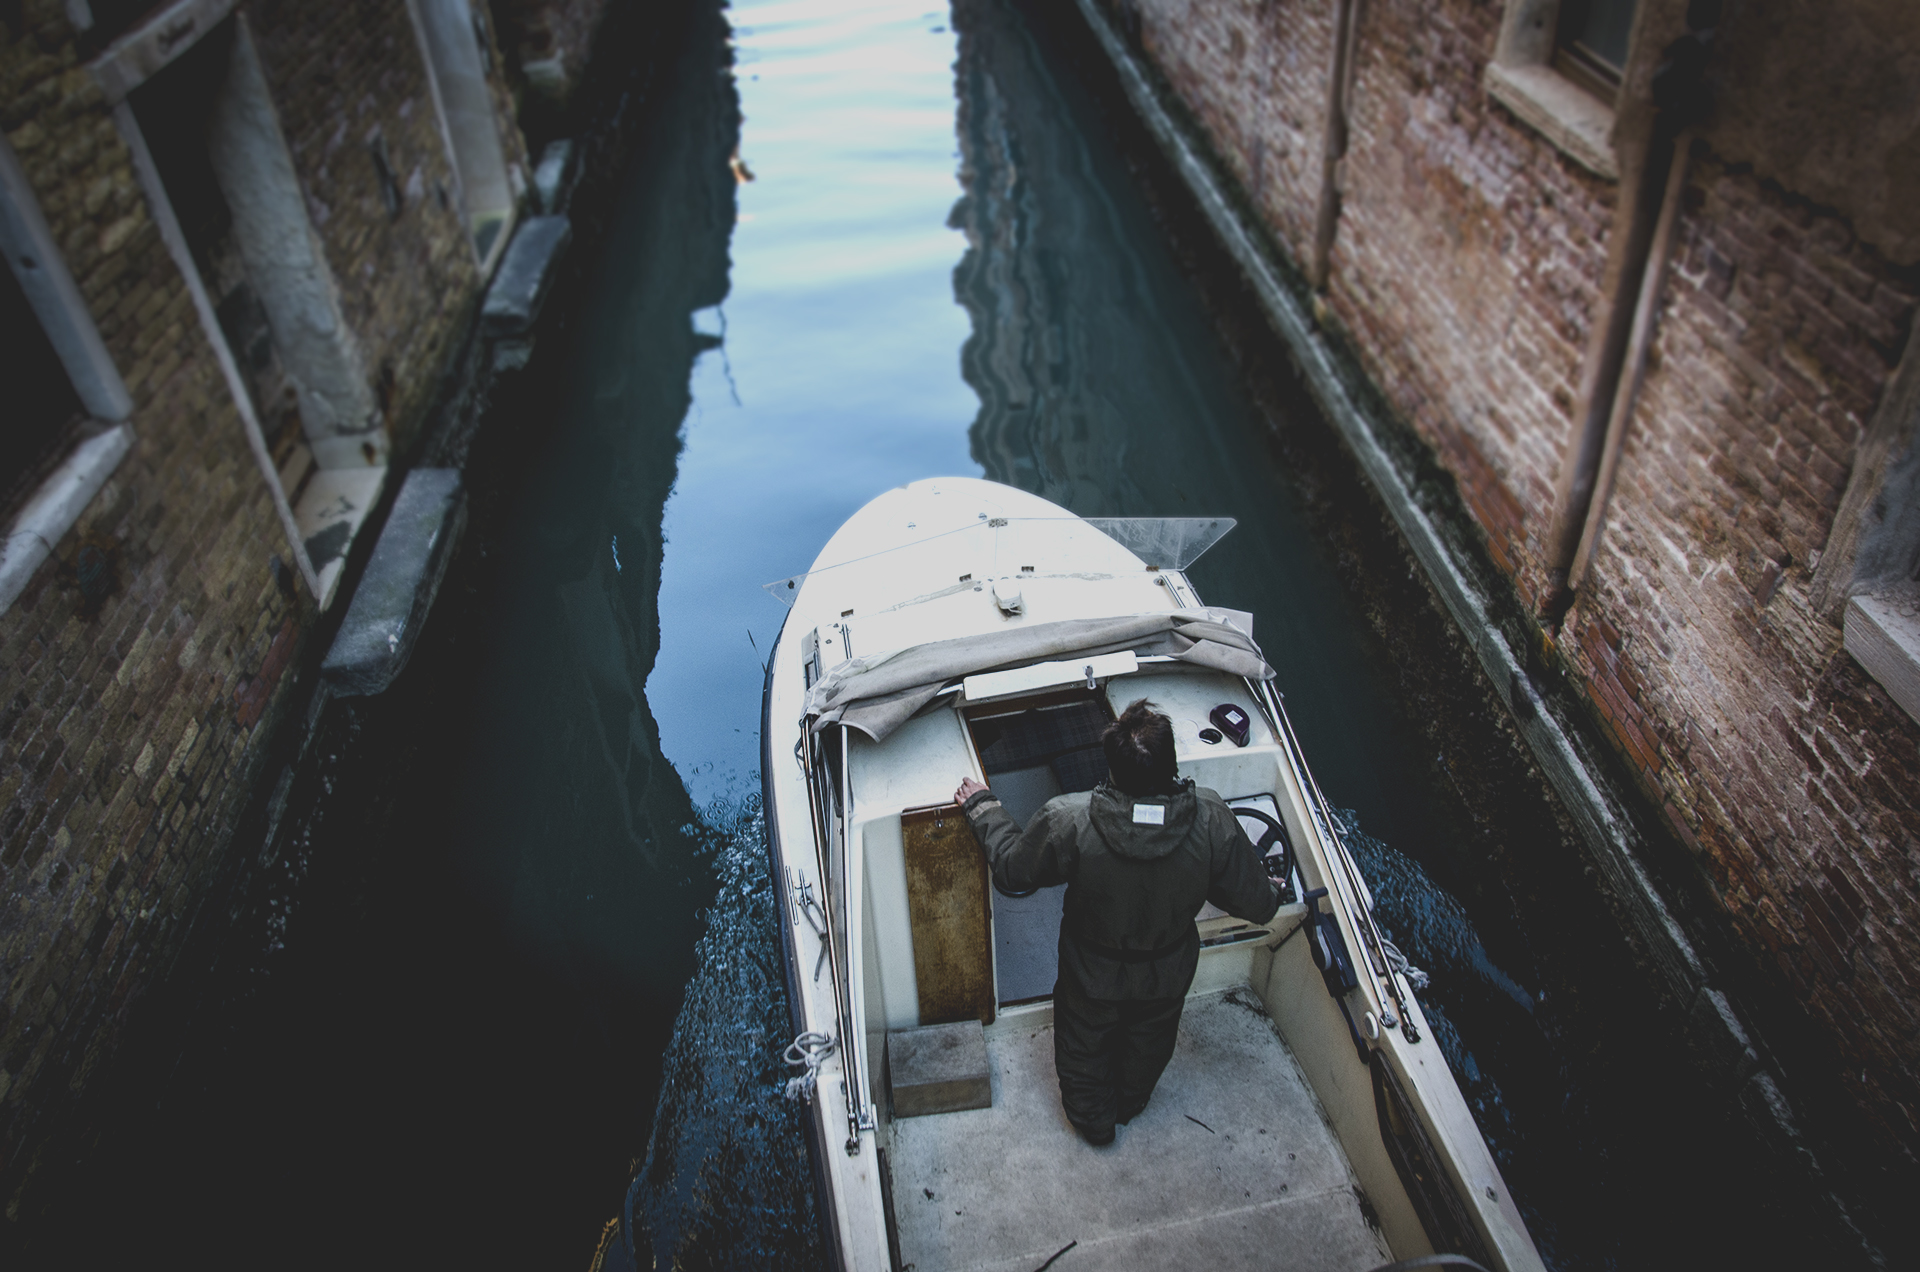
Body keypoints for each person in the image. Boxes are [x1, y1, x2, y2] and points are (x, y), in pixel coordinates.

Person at [955, 698, 1280, 1146]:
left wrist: (984, 807)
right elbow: (1258, 904)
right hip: (1168, 968)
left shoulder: (1068, 818)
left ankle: (1094, 1125)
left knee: (1083, 1043)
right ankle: (1129, 1104)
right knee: (1150, 1039)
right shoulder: (1212, 817)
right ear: (1172, 764)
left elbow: (1013, 869)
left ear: (1109, 767)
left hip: (1092, 969)